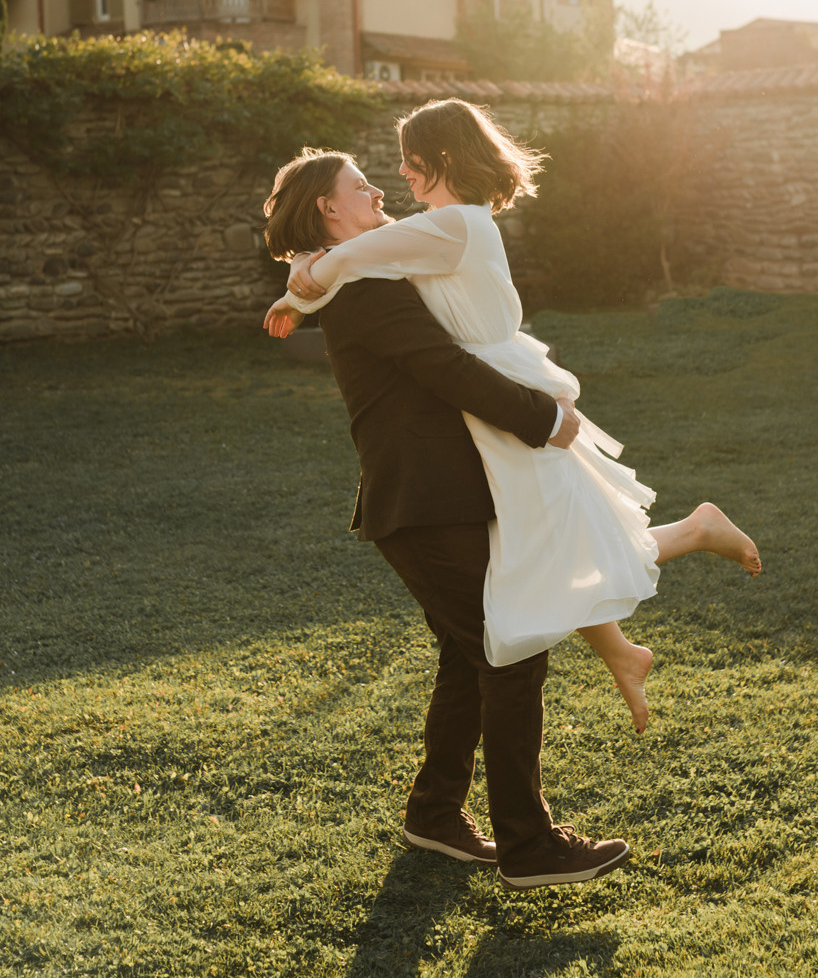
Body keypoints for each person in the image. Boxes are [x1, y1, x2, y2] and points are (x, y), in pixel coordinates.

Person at [265, 100, 760, 739]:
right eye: (368, 180)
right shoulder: (436, 227)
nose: (396, 176)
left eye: (409, 160)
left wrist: (297, 284)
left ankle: (690, 538)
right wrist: (304, 278)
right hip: (497, 381)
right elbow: (359, 261)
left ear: (439, 158)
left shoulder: (452, 226)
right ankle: (627, 640)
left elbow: (345, 261)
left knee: (553, 531)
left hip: (502, 381)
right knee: (549, 530)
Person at [261, 146, 636, 890]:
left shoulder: (355, 272)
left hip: (433, 497)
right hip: (424, 502)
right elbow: (445, 366)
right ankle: (529, 847)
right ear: (329, 210)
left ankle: (435, 814)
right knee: (512, 650)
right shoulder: (363, 286)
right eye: (359, 187)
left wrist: (299, 281)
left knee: (473, 651)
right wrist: (544, 418)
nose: (376, 192)